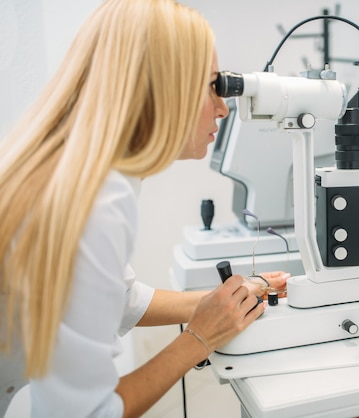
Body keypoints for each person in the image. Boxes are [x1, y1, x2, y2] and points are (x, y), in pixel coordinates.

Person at [0, 1, 287, 417]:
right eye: (211, 86)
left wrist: (220, 304)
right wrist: (200, 339)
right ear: (162, 87)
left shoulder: (81, 170)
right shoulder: (97, 199)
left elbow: (120, 298)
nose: (222, 108)